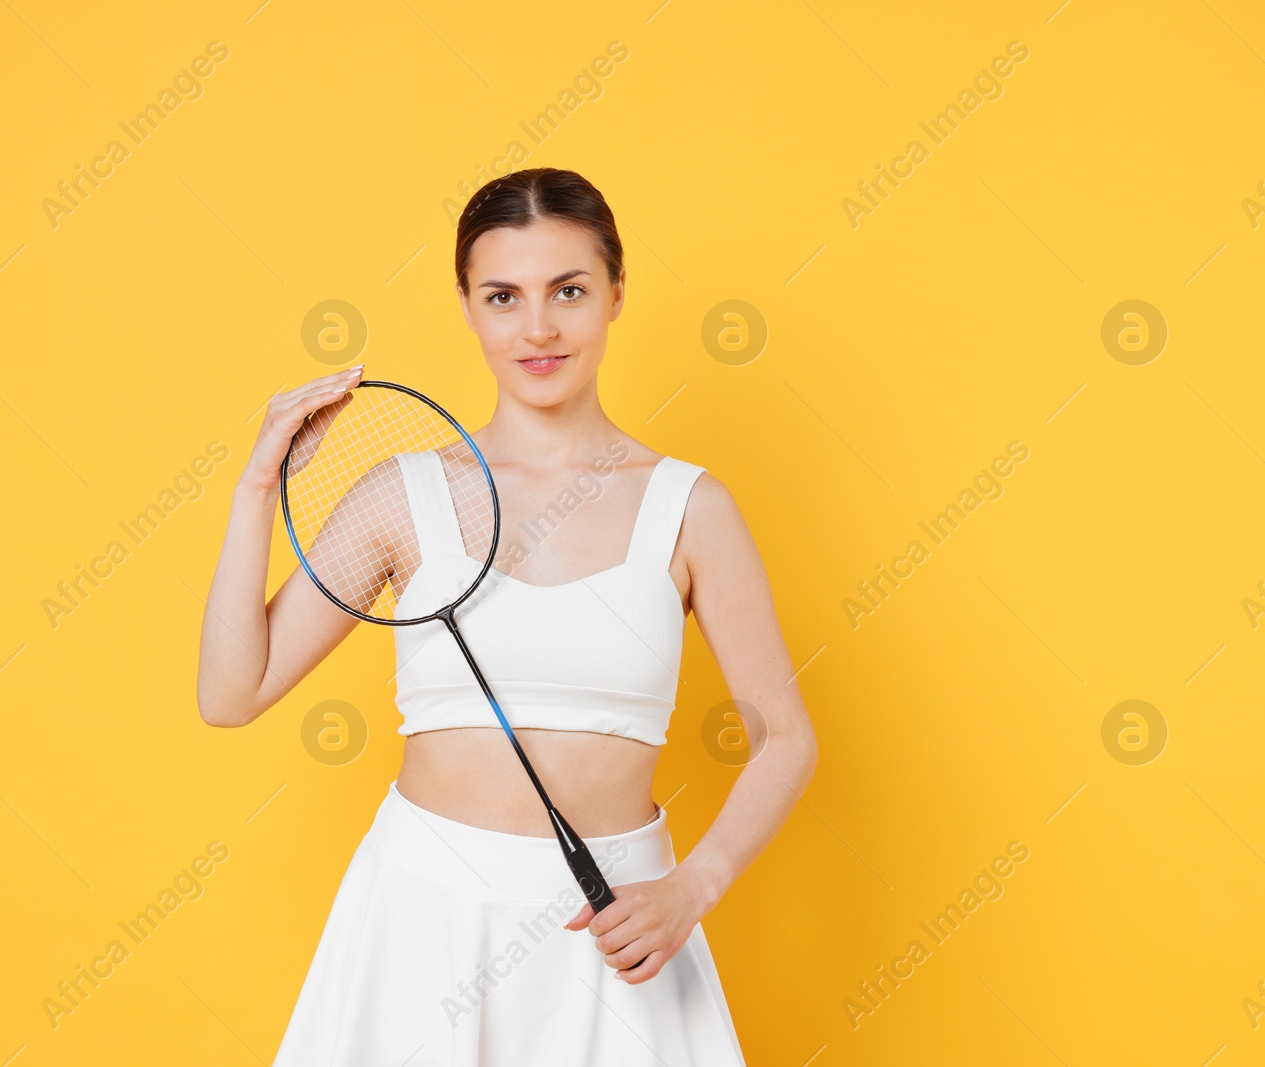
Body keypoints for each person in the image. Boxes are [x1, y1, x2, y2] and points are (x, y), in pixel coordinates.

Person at [196, 167, 818, 1065]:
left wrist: (693, 886)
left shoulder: (690, 507)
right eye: (503, 296)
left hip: (616, 921)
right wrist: (255, 490)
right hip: (420, 918)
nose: (538, 328)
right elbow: (231, 692)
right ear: (467, 306)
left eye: (568, 290)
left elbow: (787, 736)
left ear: (615, 293)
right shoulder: (403, 497)